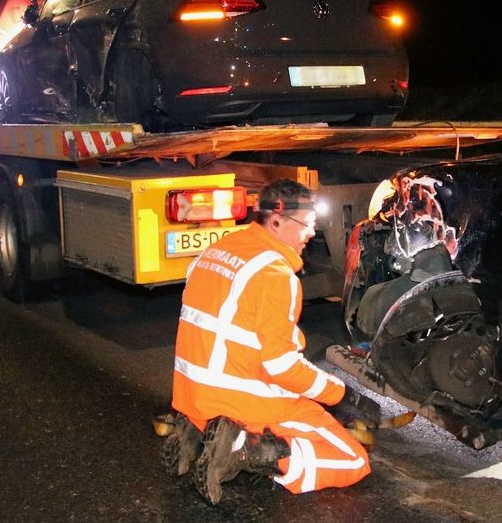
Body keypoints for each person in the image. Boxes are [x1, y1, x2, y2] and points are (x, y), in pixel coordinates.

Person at [161, 178, 379, 505]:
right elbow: (282, 368)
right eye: (306, 225)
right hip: (236, 397)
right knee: (352, 459)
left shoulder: (218, 249)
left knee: (299, 399)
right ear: (276, 221)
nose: (310, 234)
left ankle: (198, 427)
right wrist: (342, 395)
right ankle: (249, 449)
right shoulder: (276, 276)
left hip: (191, 391)